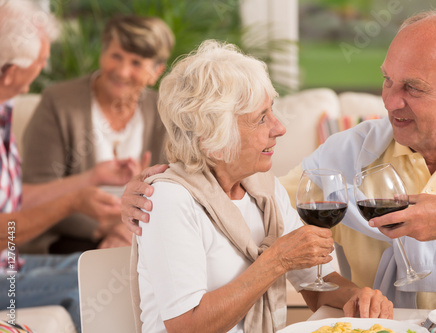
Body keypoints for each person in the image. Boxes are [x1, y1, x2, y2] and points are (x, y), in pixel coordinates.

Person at [122, 9, 436, 313]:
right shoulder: (347, 156)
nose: (388, 101)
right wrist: (140, 196)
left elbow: (303, 266)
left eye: (412, 88)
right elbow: (241, 193)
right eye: (387, 80)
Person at [133, 40, 392, 333]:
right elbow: (187, 325)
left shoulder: (263, 190)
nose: (279, 128)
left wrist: (356, 296)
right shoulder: (170, 200)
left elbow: (315, 284)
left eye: (272, 111)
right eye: (261, 119)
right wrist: (277, 260)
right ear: (212, 137)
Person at [0, 1, 127, 331]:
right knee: (85, 290)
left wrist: (91, 179)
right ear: (11, 71)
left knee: (113, 267)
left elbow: (14, 200)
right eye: (42, 58)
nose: (46, 64)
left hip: (12, 265)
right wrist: (72, 202)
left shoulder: (4, 107)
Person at [21, 14, 175, 252]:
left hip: (139, 237)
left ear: (156, 71)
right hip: (66, 240)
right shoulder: (58, 103)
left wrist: (128, 227)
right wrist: (107, 225)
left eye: (136, 63)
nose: (122, 72)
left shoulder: (165, 112)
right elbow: (32, 197)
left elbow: (176, 191)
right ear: (102, 53)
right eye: (116, 56)